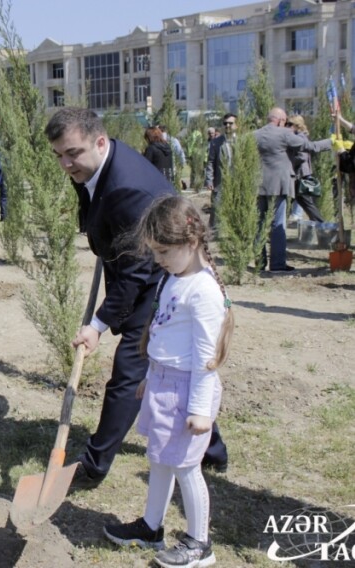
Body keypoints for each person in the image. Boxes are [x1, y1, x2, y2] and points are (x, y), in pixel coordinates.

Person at [44, 107, 228, 489]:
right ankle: (213, 449)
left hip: (163, 277)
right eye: (58, 156)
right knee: (166, 369)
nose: (64, 164)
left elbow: (138, 273)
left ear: (99, 141)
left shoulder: (127, 188)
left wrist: (97, 324)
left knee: (130, 371)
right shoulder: (98, 163)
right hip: (145, 268)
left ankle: (93, 466)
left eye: (72, 154)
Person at [103, 195, 233, 568]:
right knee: (160, 458)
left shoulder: (204, 291)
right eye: (155, 251)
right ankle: (151, 527)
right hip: (163, 383)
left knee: (186, 467)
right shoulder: (175, 278)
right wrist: (149, 377)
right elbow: (162, 332)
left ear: (190, 243)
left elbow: (207, 359)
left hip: (187, 390)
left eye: (163, 251)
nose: (157, 259)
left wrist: (199, 410)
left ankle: (199, 543)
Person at [254, 107, 331, 272]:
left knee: (259, 225)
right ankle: (277, 264)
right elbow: (308, 146)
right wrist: (331, 142)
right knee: (277, 225)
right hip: (279, 185)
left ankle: (259, 263)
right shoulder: (284, 134)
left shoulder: (254, 135)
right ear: (281, 120)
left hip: (258, 185)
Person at [286, 115, 328, 224]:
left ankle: (321, 224)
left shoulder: (299, 137)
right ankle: (320, 224)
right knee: (301, 201)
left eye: (289, 124)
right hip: (301, 173)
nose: (287, 126)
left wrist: (288, 161)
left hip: (300, 174)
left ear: (297, 126)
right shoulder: (300, 135)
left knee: (306, 202)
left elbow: (302, 157)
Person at [205, 113, 237, 231]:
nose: (227, 125)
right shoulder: (216, 142)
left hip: (237, 181)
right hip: (220, 181)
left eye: (230, 123)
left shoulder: (242, 141)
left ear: (237, 125)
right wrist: (209, 179)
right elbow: (210, 162)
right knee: (216, 208)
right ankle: (213, 233)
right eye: (225, 123)